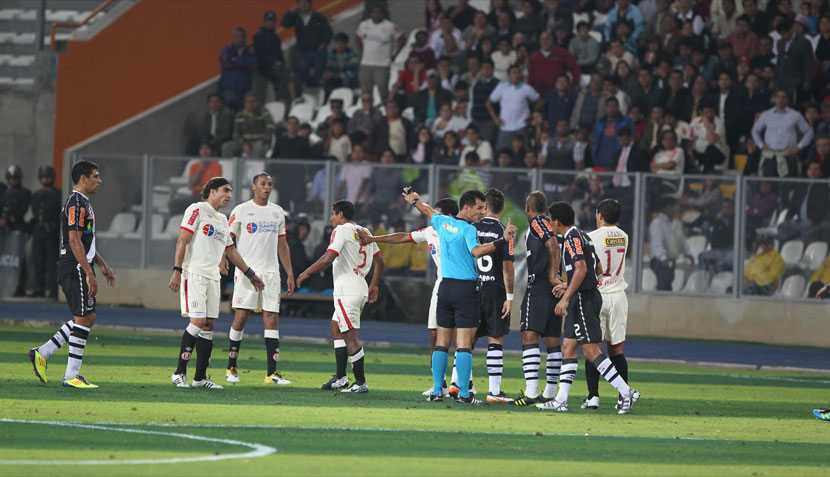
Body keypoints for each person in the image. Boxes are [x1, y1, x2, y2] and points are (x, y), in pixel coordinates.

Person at [404, 187, 518, 405]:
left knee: (441, 343)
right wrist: (503, 240)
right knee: (464, 344)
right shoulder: (468, 230)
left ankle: (438, 391)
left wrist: (413, 200)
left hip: (444, 288)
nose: (482, 212)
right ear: (466, 207)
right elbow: (476, 252)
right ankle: (464, 394)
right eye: (478, 208)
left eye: (484, 208)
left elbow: (427, 210)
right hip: (466, 290)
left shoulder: (442, 222)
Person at [534, 202, 638, 414]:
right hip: (590, 295)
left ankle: (625, 391)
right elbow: (597, 268)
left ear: (557, 221)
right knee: (568, 348)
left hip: (582, 299)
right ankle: (561, 399)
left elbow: (581, 268)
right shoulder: (583, 235)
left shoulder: (573, 238)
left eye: (550, 219)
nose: (549, 223)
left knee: (591, 350)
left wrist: (567, 296)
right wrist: (569, 283)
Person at [27, 160, 117, 389]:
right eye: (96, 176)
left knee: (86, 317)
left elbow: (85, 242)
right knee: (84, 318)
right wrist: (89, 273)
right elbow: (74, 240)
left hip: (78, 264)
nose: (100, 180)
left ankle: (43, 353)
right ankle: (71, 375)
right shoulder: (77, 203)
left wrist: (103, 266)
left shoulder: (82, 203)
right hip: (75, 265)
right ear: (83, 178)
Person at [169, 178, 264, 390]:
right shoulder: (196, 210)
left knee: (209, 325)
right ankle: (179, 372)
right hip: (194, 273)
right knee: (198, 321)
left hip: (213, 277)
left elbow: (231, 250)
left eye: (230, 191)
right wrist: (177, 270)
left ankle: (200, 378)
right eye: (225, 190)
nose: (229, 195)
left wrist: (250, 274)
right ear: (212, 191)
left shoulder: (223, 219)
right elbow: (182, 240)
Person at [359, 198, 459, 396]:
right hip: (441, 286)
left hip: (462, 286)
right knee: (433, 336)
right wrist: (374, 239)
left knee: (459, 338)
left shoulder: (460, 231)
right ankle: (440, 384)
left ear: (448, 216)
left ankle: (462, 384)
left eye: (435, 213)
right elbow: (402, 237)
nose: (432, 217)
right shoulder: (430, 232)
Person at [297, 200, 385, 393]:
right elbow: (380, 261)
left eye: (333, 214)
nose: (331, 218)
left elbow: (329, 257)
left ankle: (361, 382)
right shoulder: (366, 232)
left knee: (350, 335)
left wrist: (306, 273)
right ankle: (340, 377)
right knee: (336, 327)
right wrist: (374, 284)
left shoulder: (342, 230)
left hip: (347, 291)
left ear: (341, 214)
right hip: (359, 287)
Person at [224, 173, 295, 385]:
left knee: (272, 318)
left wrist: (289, 272)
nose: (267, 187)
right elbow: (227, 239)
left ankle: (271, 373)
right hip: (247, 271)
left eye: (270, 184)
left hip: (271, 272)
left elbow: (282, 244)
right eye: (263, 184)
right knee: (241, 317)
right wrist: (222, 260)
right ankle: (231, 368)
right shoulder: (241, 211)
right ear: (254, 186)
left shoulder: (277, 212)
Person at [512, 191, 564, 407]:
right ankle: (550, 392)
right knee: (552, 341)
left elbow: (552, 244)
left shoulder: (538, 223)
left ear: (527, 207)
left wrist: (552, 276)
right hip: (551, 292)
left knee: (529, 336)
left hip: (540, 288)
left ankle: (532, 392)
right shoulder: (550, 223)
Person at [582, 199, 631, 410]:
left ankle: (593, 396)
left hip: (598, 294)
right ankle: (623, 394)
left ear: (599, 214)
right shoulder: (624, 236)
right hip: (619, 294)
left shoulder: (590, 237)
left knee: (593, 347)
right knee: (616, 348)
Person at [751, 89, 814, 177]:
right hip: (770, 156)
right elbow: (755, 131)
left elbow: (809, 132)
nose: (781, 99)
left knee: (788, 186)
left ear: (788, 100)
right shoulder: (766, 115)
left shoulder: (795, 115)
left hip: (788, 155)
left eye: (784, 97)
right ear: (774, 99)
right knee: (769, 186)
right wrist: (761, 145)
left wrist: (799, 147)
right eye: (778, 97)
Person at [356, 5, 404, 104]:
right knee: (366, 92)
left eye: (379, 12)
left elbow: (402, 39)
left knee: (383, 90)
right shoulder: (364, 25)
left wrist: (394, 54)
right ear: (371, 14)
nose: (376, 15)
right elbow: (358, 38)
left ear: (383, 14)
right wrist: (361, 53)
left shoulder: (390, 26)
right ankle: (367, 112)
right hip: (366, 63)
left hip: (382, 64)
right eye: (374, 12)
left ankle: (385, 110)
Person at [487, 65, 541, 152]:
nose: (516, 75)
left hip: (522, 126)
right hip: (505, 127)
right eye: (514, 72)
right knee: (502, 153)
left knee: (525, 152)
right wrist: (495, 118)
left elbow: (539, 100)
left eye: (518, 72)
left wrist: (534, 114)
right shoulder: (501, 87)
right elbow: (489, 103)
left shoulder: (526, 88)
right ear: (509, 75)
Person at [281, 0, 334, 88]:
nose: (303, 6)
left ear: (310, 5)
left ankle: (320, 89)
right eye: (300, 4)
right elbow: (284, 24)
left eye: (305, 4)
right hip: (305, 53)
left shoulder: (318, 17)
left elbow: (328, 32)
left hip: (318, 51)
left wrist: (324, 43)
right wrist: (290, 11)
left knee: (319, 72)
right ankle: (312, 86)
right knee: (302, 70)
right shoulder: (297, 19)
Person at [29, 166, 62, 298]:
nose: (45, 179)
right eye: (43, 177)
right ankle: (39, 288)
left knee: (52, 262)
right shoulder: (36, 195)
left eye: (48, 177)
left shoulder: (58, 194)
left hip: (51, 231)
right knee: (38, 260)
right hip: (39, 230)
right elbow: (35, 212)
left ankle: (53, 290)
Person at [1, 164, 31, 296]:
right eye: (11, 178)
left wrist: (7, 221)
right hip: (3, 231)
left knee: (17, 258)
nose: (13, 180)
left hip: (16, 228)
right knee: (4, 258)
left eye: (16, 178)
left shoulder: (25, 193)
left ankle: (20, 287)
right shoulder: (4, 191)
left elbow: (21, 210)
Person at [253, 11, 296, 104]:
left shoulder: (275, 36)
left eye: (273, 20)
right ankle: (294, 100)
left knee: (283, 79)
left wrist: (281, 62)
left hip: (276, 67)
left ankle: (287, 102)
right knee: (286, 77)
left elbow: (279, 53)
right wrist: (273, 62)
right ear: (264, 22)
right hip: (265, 67)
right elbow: (260, 54)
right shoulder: (258, 36)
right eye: (269, 20)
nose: (271, 22)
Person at [648, 197, 690, 291]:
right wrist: (663, 258)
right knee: (664, 286)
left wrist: (688, 253)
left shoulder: (675, 223)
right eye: (672, 207)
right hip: (659, 261)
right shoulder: (657, 223)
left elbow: (681, 239)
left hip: (671, 260)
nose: (675, 209)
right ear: (665, 208)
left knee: (668, 285)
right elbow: (657, 243)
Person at [528, 32, 581, 97]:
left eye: (548, 39)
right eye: (543, 40)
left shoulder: (562, 52)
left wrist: (573, 85)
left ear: (553, 40)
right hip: (539, 94)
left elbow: (575, 68)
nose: (545, 42)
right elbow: (531, 76)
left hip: (559, 93)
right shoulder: (535, 56)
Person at [774, 18, 815, 104]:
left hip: (797, 80)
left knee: (795, 104)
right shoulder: (780, 43)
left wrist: (807, 80)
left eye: (784, 32)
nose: (783, 35)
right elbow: (779, 61)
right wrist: (776, 77)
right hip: (782, 80)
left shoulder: (803, 42)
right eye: (781, 34)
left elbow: (808, 63)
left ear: (791, 29)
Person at [222, 94, 275, 158]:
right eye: (248, 101)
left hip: (260, 142)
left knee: (258, 147)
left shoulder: (264, 113)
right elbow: (236, 134)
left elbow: (270, 127)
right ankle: (230, 167)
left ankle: (254, 167)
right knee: (226, 147)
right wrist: (244, 144)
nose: (250, 104)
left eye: (253, 101)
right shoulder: (240, 115)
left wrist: (264, 140)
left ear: (258, 102)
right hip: (244, 142)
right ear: (244, 103)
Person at [218, 27, 256, 111]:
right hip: (229, 87)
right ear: (232, 38)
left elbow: (252, 65)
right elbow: (226, 63)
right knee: (231, 104)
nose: (239, 39)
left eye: (241, 37)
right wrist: (242, 63)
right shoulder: (226, 50)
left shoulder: (250, 52)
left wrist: (235, 61)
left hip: (244, 89)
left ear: (245, 38)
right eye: (236, 37)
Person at [592, 97, 635, 169]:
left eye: (614, 105)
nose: (611, 108)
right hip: (601, 161)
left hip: (621, 161)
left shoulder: (626, 121)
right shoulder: (599, 123)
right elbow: (594, 141)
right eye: (609, 106)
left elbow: (633, 139)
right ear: (605, 108)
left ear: (618, 107)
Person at [470, 59, 500, 144]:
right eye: (484, 68)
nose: (486, 70)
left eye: (488, 68)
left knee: (487, 144)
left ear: (493, 70)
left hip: (489, 121)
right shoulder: (476, 85)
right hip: (476, 120)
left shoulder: (497, 84)